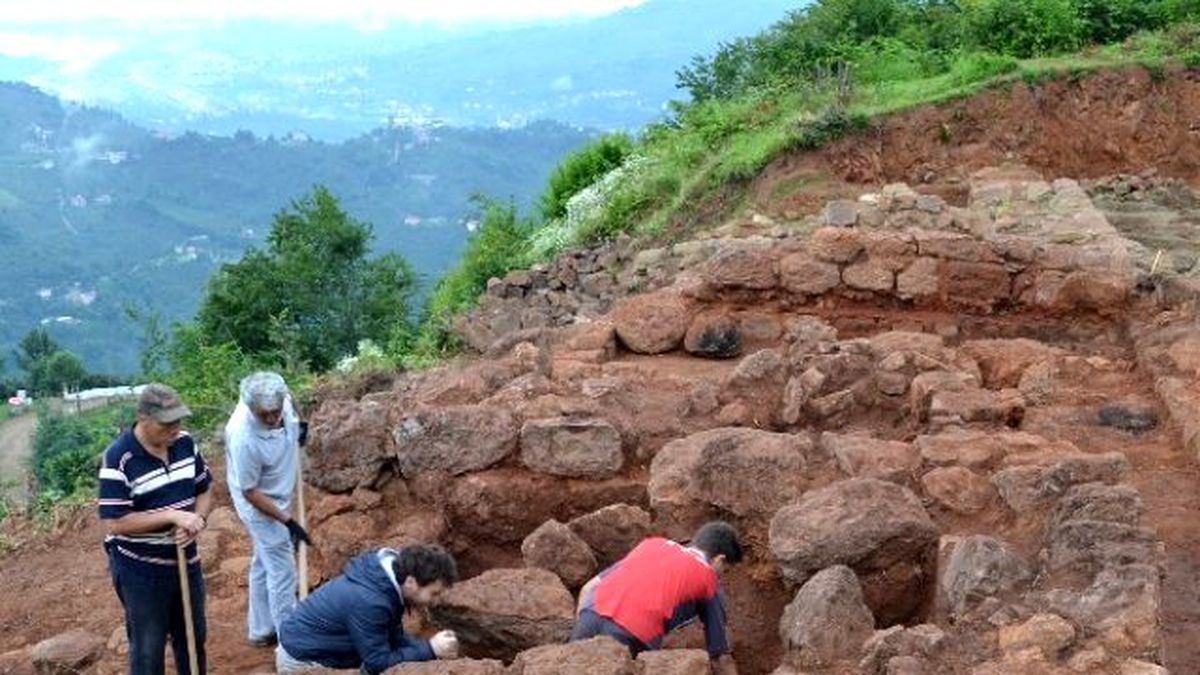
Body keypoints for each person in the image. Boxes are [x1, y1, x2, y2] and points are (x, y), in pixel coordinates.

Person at [98, 383, 212, 675]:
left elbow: (204, 490)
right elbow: (116, 521)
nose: (175, 429)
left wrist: (196, 520)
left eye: (178, 420)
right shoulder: (119, 457)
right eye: (167, 423)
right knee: (148, 648)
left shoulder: (186, 443)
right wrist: (173, 515)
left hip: (186, 560)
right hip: (140, 570)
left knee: (193, 639)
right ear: (143, 418)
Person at [572, 520, 743, 675]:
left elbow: (589, 587)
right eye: (725, 570)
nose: (721, 576)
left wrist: (582, 624)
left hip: (589, 617)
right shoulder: (709, 580)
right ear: (720, 559)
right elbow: (720, 656)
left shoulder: (652, 545)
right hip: (632, 634)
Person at [275, 543, 462, 674]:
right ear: (411, 582)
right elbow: (377, 663)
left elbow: (392, 637)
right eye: (434, 593)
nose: (436, 600)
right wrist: (429, 650)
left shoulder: (389, 576)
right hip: (303, 659)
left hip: (319, 643)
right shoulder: (371, 602)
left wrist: (428, 647)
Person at [224, 371, 310, 647]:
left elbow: (289, 399)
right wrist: (288, 522)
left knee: (264, 563)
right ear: (250, 408)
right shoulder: (242, 437)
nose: (273, 418)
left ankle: (261, 629)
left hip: (280, 490)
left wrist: (299, 422)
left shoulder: (278, 400)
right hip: (259, 505)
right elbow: (250, 491)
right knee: (283, 571)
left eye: (276, 412)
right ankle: (292, 641)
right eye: (265, 415)